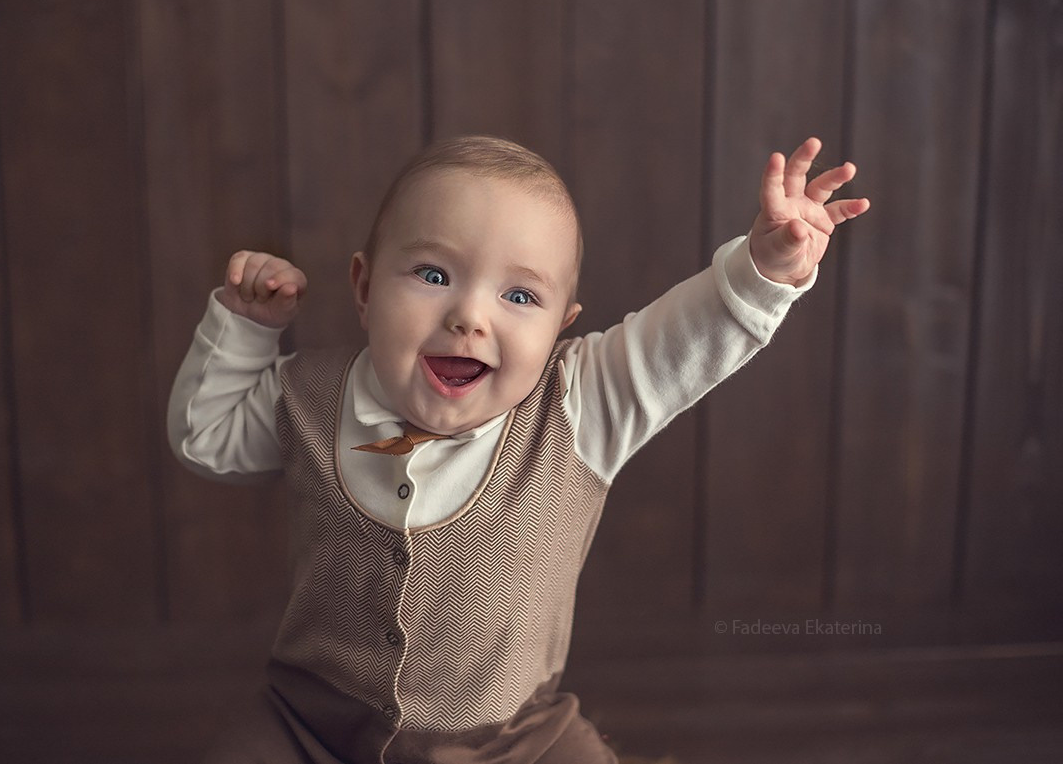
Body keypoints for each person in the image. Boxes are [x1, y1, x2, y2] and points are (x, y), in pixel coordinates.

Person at [168, 135, 870, 763]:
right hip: (306, 726)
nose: (469, 316)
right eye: (433, 275)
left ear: (562, 325)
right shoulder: (309, 395)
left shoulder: (579, 406)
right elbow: (207, 436)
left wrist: (766, 266)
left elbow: (684, 339)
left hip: (511, 740)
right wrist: (245, 327)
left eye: (519, 296)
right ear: (364, 286)